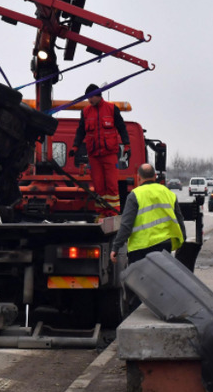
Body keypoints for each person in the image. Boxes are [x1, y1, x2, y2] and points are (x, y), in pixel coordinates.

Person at [110, 163, 186, 266]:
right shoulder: (168, 193)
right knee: (160, 279)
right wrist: (182, 243)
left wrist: (116, 247)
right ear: (155, 176)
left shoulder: (135, 195)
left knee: (139, 281)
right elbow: (179, 220)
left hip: (140, 249)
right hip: (163, 246)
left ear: (138, 177)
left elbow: (126, 225)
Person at [73, 83, 130, 215]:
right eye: (88, 98)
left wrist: (127, 144)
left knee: (111, 186)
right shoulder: (86, 112)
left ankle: (113, 213)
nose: (89, 100)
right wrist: (75, 147)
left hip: (109, 154)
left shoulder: (111, 109)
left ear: (98, 95)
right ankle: (102, 213)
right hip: (94, 156)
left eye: (90, 97)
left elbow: (122, 128)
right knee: (98, 187)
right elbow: (81, 131)